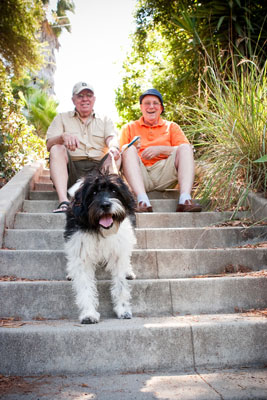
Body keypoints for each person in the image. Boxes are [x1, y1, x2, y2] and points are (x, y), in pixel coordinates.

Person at [120, 88, 202, 212]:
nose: (151, 106)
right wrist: (131, 149)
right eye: (147, 103)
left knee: (185, 147)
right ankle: (142, 201)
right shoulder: (129, 127)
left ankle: (185, 200)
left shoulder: (172, 127)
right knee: (127, 149)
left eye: (155, 103)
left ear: (161, 108)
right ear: (141, 107)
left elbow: (185, 151)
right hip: (140, 175)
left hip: (165, 173)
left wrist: (161, 149)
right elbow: (120, 155)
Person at [46, 81, 120, 213]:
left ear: (94, 99)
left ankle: (109, 200)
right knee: (56, 148)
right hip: (71, 172)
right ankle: (64, 201)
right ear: (73, 100)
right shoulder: (61, 118)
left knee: (115, 155)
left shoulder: (105, 119)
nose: (85, 99)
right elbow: (49, 143)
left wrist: (113, 147)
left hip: (99, 172)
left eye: (89, 95)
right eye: (80, 96)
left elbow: (111, 137)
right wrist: (62, 137)